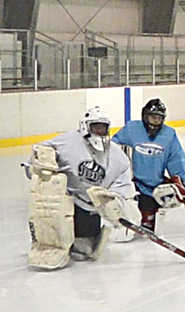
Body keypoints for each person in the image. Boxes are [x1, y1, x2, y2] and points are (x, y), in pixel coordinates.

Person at [25, 106, 133, 270]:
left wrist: (114, 199)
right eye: (95, 127)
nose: (100, 131)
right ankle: (48, 242)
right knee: (49, 188)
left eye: (103, 128)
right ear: (85, 127)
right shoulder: (67, 141)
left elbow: (123, 182)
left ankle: (78, 237)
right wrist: (41, 162)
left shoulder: (118, 157)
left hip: (88, 207)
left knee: (83, 252)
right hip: (66, 199)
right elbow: (36, 156)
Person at [111, 99, 185, 232]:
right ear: (144, 116)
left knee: (149, 218)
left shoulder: (169, 134)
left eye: (159, 119)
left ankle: (148, 221)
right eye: (152, 117)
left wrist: (180, 179)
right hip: (133, 183)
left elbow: (176, 158)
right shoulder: (132, 129)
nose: (155, 122)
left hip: (155, 185)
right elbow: (114, 147)